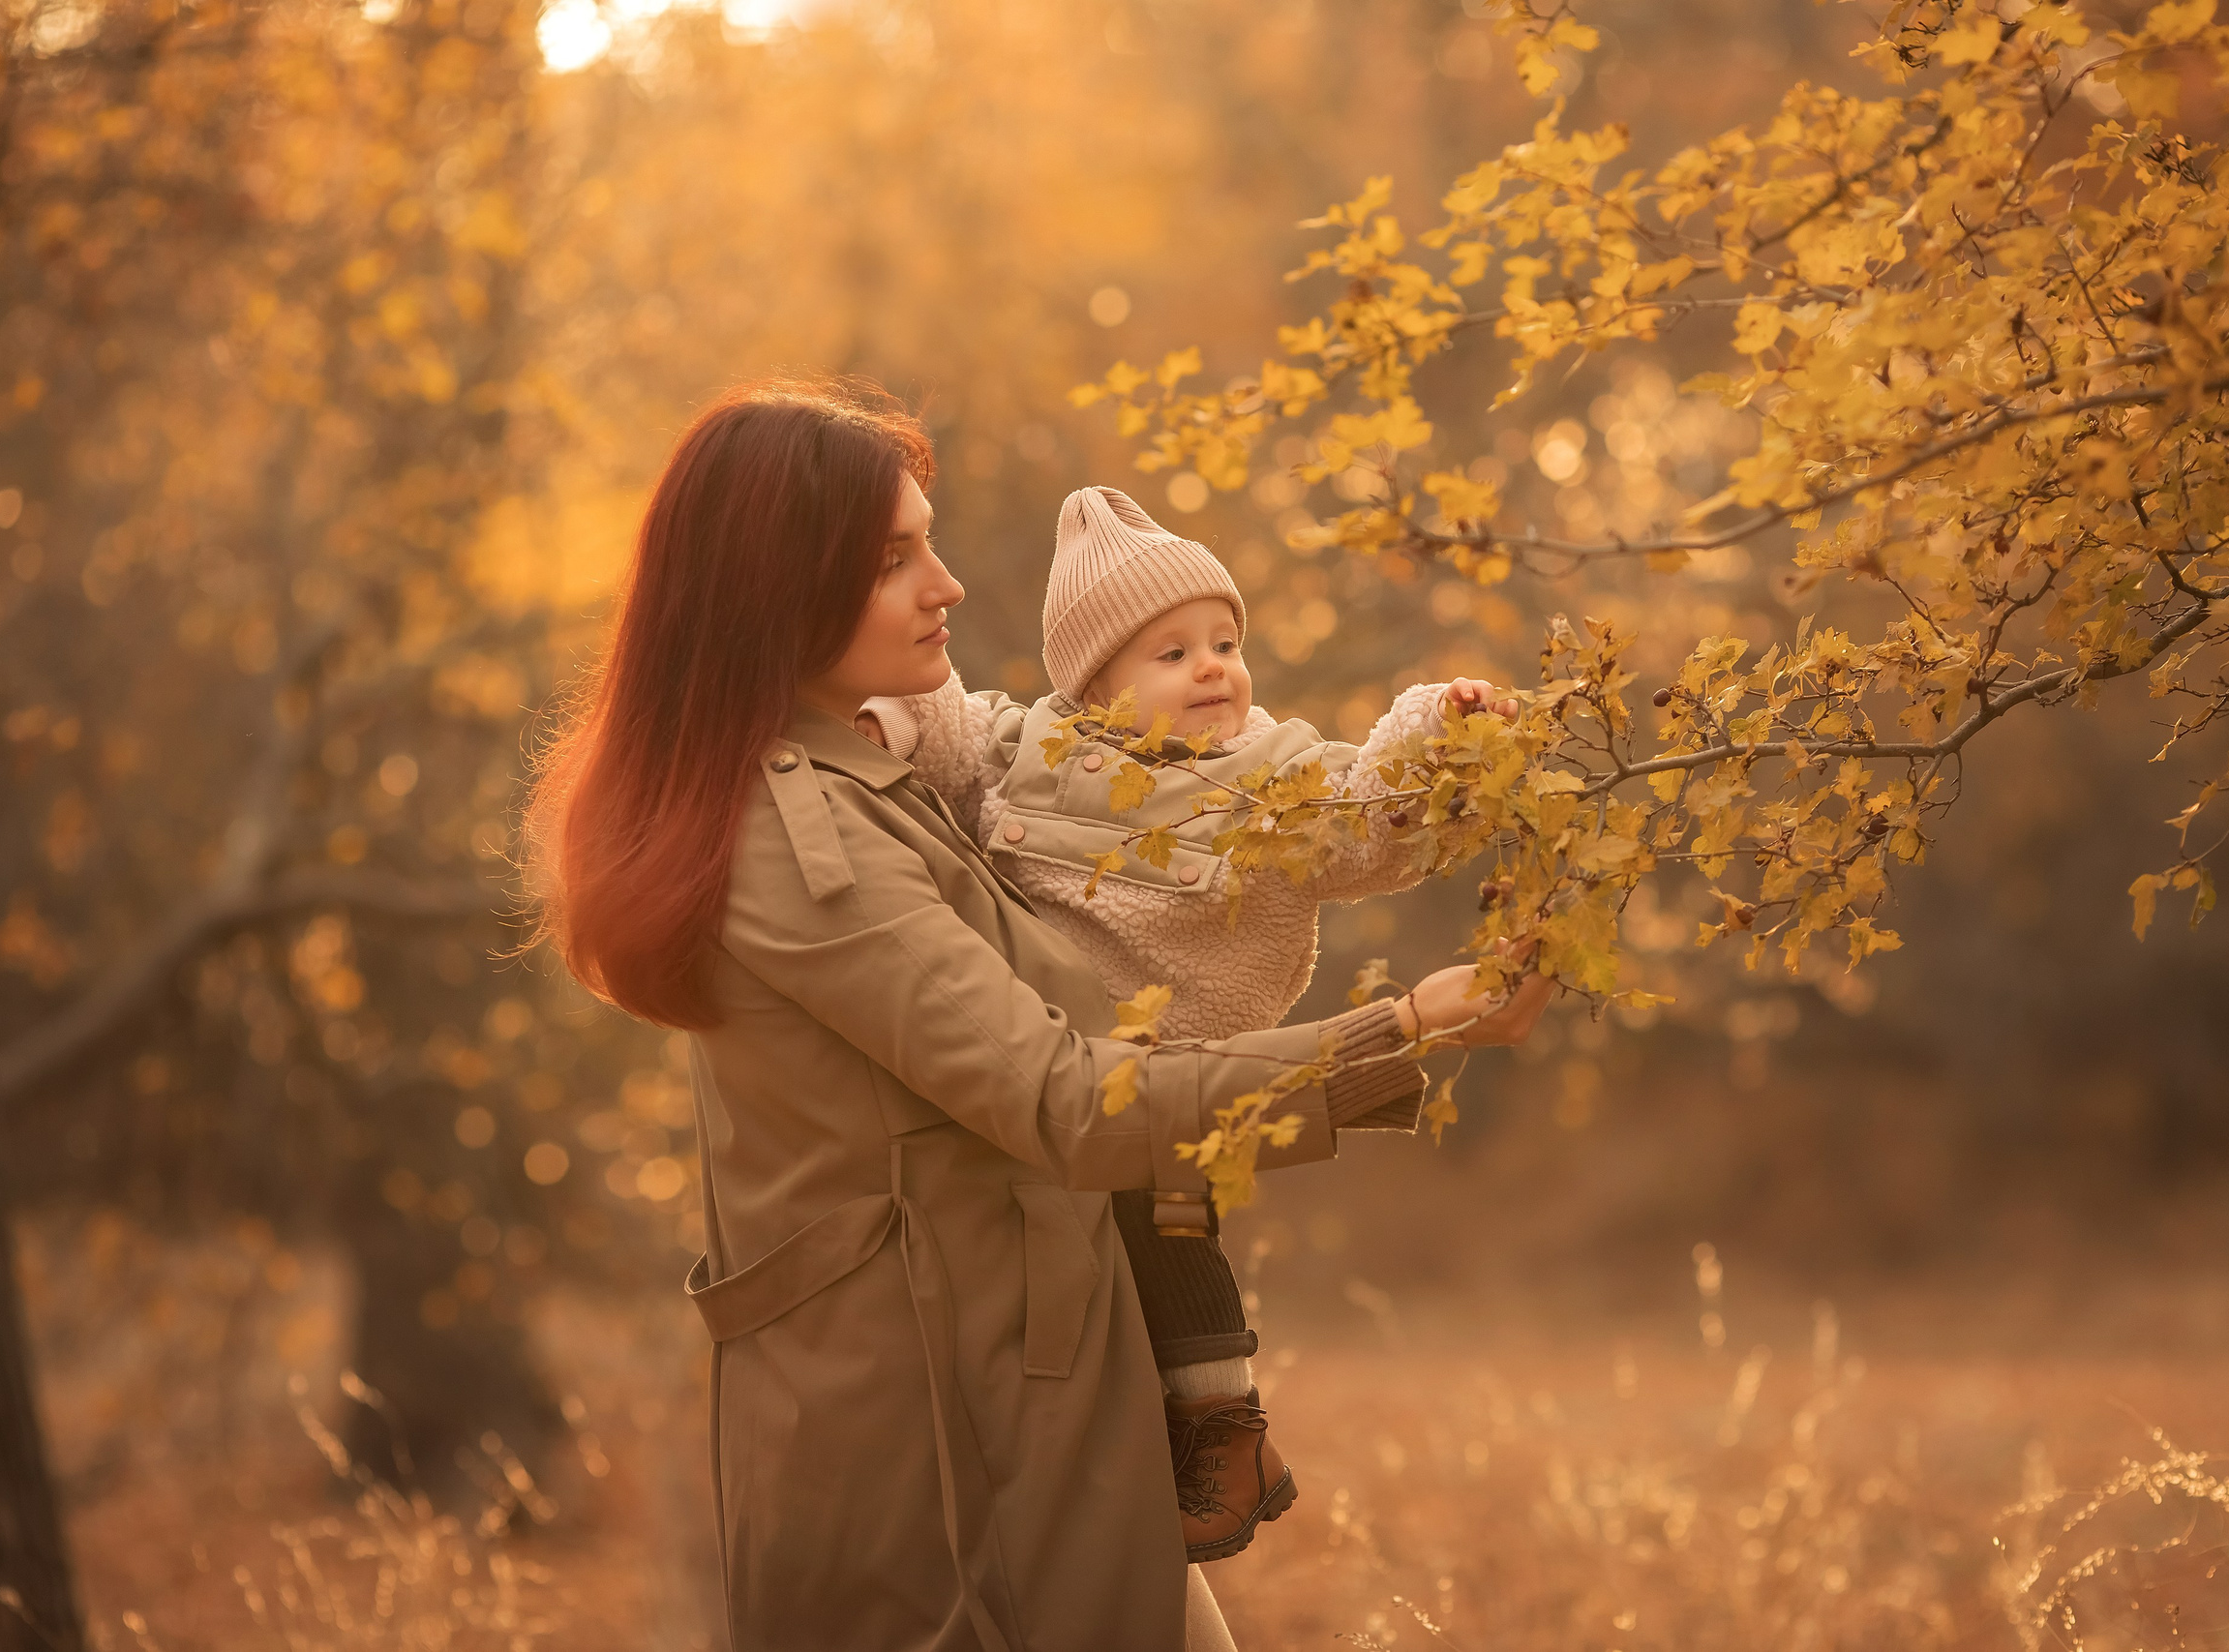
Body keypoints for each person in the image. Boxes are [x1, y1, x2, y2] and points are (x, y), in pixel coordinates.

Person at [527, 379, 1552, 1652]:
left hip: (1018, 1400)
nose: (946, 584)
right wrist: (1402, 1032)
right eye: (894, 558)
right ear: (777, 586)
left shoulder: (871, 776)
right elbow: (1067, 1099)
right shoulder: (799, 837)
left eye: (928, 543)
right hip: (941, 1463)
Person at [859, 485, 1518, 1565]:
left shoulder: (1271, 781)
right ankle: (1140, 1437)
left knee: (1165, 1220)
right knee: (1080, 1257)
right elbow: (946, 726)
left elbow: (1375, 823)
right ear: (1093, 686)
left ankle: (1227, 1424)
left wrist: (1439, 730)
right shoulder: (1033, 746)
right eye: (1172, 654)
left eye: (1224, 642)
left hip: (1185, 1063)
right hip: (1056, 1054)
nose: (1213, 668)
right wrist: (883, 723)